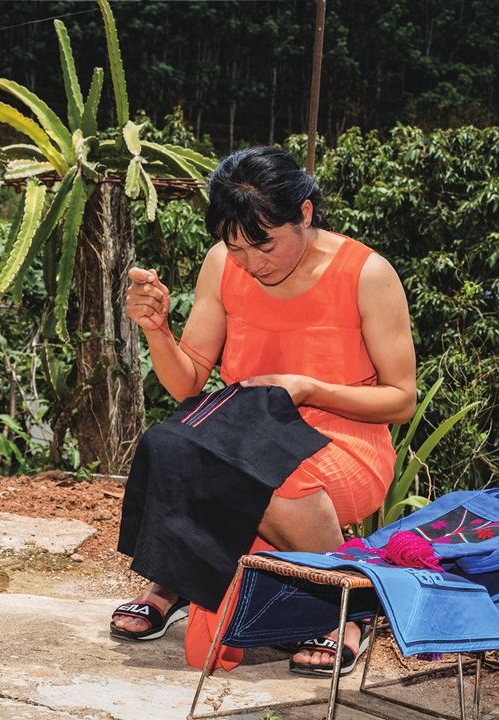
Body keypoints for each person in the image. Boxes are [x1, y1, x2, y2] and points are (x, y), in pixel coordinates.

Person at [113, 146, 416, 673]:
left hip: (342, 439)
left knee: (271, 479)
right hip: (242, 428)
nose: (253, 264)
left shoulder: (367, 273)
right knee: (169, 444)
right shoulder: (221, 264)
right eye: (237, 249)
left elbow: (401, 400)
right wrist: (157, 330)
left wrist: (308, 388)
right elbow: (188, 382)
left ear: (303, 213)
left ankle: (349, 602)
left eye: (264, 246)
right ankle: (184, 575)